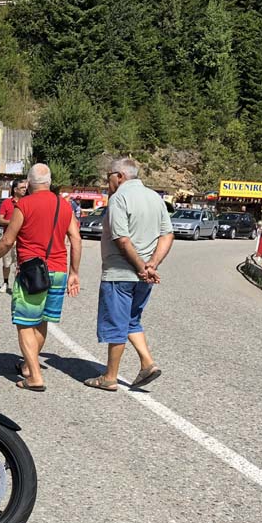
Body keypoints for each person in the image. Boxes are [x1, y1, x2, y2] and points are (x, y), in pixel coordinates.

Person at [0, 163, 81, 392]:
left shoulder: (24, 205)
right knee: (42, 321)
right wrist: (74, 272)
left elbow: (7, 240)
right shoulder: (64, 205)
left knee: (25, 323)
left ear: (29, 182)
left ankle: (35, 376)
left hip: (32, 272)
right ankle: (28, 366)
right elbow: (76, 239)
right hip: (58, 271)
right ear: (49, 181)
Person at [84, 156, 173, 392]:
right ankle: (148, 363)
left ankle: (110, 377)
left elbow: (122, 239)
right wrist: (152, 264)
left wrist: (141, 267)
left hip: (120, 273)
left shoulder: (119, 198)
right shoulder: (155, 198)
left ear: (120, 176)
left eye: (109, 177)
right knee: (132, 320)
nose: (108, 182)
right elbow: (167, 234)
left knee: (116, 324)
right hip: (144, 277)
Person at [0, 180, 27, 293]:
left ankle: (17, 284)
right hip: (9, 238)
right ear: (15, 189)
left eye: (25, 187)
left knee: (20, 264)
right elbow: (0, 219)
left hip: (22, 239)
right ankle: (5, 282)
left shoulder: (27, 202)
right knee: (6, 263)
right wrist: (12, 223)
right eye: (22, 187)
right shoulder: (6, 203)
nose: (24, 189)